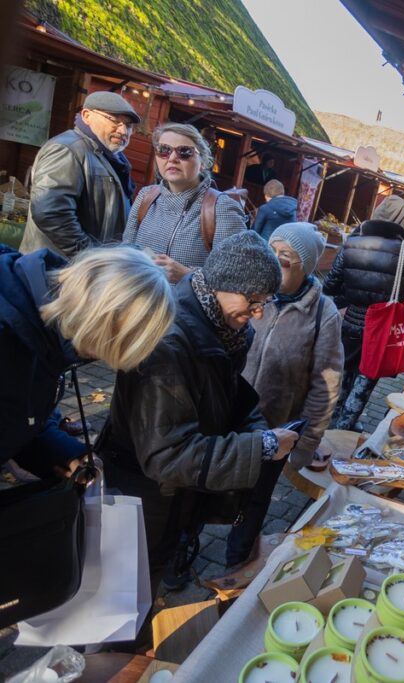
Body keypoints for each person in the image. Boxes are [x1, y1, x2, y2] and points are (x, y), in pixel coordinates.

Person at [100, 231, 298, 589]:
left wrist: (258, 431)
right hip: (142, 498)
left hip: (172, 498)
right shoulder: (169, 344)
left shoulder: (223, 329)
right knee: (124, 594)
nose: (257, 314)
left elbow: (229, 399)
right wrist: (263, 447)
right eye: (253, 300)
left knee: (148, 579)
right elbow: (168, 454)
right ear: (221, 283)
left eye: (265, 302)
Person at [0, 245, 174, 480]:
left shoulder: (48, 329)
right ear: (98, 323)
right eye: (110, 348)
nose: (106, 361)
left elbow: (21, 413)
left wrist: (66, 454)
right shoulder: (13, 337)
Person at [227, 223, 343, 567]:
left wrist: (305, 443)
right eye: (270, 252)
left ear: (305, 267)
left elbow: (326, 385)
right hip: (227, 418)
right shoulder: (248, 292)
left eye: (285, 258)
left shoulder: (324, 314)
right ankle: (183, 554)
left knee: (254, 502)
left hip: (275, 430)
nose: (274, 262)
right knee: (204, 488)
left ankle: (236, 563)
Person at [323, 195, 404, 430]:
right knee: (365, 382)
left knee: (344, 375)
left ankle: (329, 425)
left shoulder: (352, 241)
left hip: (349, 322)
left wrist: (352, 293)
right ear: (403, 220)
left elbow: (329, 285)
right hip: (381, 328)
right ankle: (343, 430)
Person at [122, 122, 247, 283]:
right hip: (138, 300)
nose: (172, 158)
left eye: (184, 152)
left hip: (184, 306)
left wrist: (188, 274)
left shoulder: (222, 208)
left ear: (202, 162)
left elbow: (235, 275)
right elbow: (126, 250)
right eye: (164, 150)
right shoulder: (146, 196)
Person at [20, 91, 141, 258]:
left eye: (128, 125)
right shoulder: (67, 149)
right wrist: (89, 257)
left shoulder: (110, 158)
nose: (123, 130)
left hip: (83, 272)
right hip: (56, 272)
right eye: (115, 121)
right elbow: (50, 212)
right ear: (86, 115)